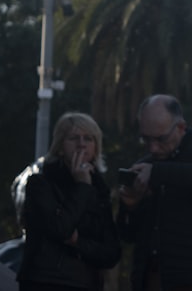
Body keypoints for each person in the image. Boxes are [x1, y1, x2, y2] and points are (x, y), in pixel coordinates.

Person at [116, 94, 192, 291]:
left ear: (181, 128)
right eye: (146, 139)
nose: (153, 147)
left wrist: (159, 172)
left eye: (161, 139)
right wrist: (130, 206)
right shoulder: (147, 164)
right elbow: (128, 235)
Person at [17, 111, 121, 291]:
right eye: (74, 138)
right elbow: (60, 229)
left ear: (96, 147)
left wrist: (78, 242)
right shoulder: (40, 184)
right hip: (47, 282)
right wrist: (82, 186)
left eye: (88, 138)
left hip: (86, 283)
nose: (81, 145)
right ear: (59, 146)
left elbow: (111, 253)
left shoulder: (100, 190)